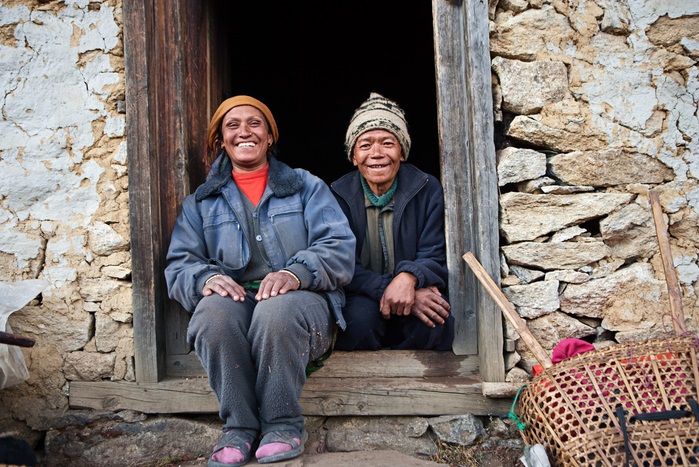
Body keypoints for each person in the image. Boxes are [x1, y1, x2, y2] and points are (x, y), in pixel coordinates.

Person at [164, 95, 355, 467]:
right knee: (212, 317)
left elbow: (339, 247)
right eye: (232, 126)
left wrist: (294, 272)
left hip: (303, 302)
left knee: (275, 311)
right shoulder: (201, 203)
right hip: (240, 306)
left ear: (269, 137)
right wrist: (206, 278)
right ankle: (238, 429)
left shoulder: (305, 186)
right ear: (221, 140)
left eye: (255, 123)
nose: (244, 132)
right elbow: (179, 265)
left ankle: (282, 425)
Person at [330, 92, 455, 351]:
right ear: (354, 156)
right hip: (362, 294)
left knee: (437, 320)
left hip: (415, 287)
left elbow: (434, 252)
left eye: (387, 143)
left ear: (402, 152)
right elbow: (338, 263)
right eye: (365, 145)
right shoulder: (336, 196)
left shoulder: (427, 188)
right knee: (356, 321)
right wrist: (390, 286)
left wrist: (410, 278)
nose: (376, 153)